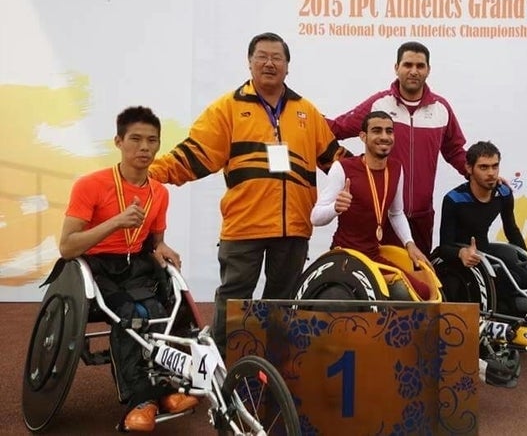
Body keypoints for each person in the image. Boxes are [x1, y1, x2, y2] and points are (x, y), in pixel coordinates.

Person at [148, 32, 349, 357]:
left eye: (277, 57)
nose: (269, 63)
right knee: (234, 300)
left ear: (287, 66)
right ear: (250, 62)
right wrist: (147, 174)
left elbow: (335, 160)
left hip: (294, 229)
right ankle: (220, 366)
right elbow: (192, 155)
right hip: (244, 226)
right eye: (262, 57)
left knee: (281, 302)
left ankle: (273, 365)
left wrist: (372, 171)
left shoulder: (306, 112)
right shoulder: (227, 109)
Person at [58, 106, 198, 432]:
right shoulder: (91, 185)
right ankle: (141, 400)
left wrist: (162, 247)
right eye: (135, 139)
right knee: (132, 316)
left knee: (163, 313)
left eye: (152, 140)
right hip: (94, 266)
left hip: (135, 265)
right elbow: (67, 247)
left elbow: (155, 242)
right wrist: (116, 222)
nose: (144, 147)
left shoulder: (159, 192)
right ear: (118, 141)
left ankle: (165, 388)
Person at [328, 41, 468, 256]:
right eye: (408, 65)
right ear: (396, 68)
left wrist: (480, 175)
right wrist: (305, 118)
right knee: (382, 275)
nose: (414, 71)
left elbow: (456, 152)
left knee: (417, 276)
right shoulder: (379, 104)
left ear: (428, 70)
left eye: (420, 66)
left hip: (421, 217)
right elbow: (337, 128)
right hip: (382, 217)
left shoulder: (441, 108)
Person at [311, 111, 432, 300]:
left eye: (389, 131)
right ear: (363, 136)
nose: (384, 137)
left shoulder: (396, 168)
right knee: (388, 295)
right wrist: (335, 207)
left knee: (423, 293)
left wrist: (410, 244)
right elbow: (315, 217)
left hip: (373, 255)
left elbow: (396, 213)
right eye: (377, 131)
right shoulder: (343, 168)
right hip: (346, 256)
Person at [434, 140, 527, 315]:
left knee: (526, 279)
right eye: (483, 167)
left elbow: (511, 230)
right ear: (469, 168)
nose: (491, 173)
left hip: (483, 252)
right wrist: (462, 253)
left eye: (495, 166)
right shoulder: (454, 199)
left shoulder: (504, 193)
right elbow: (444, 247)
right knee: (507, 284)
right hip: (455, 260)